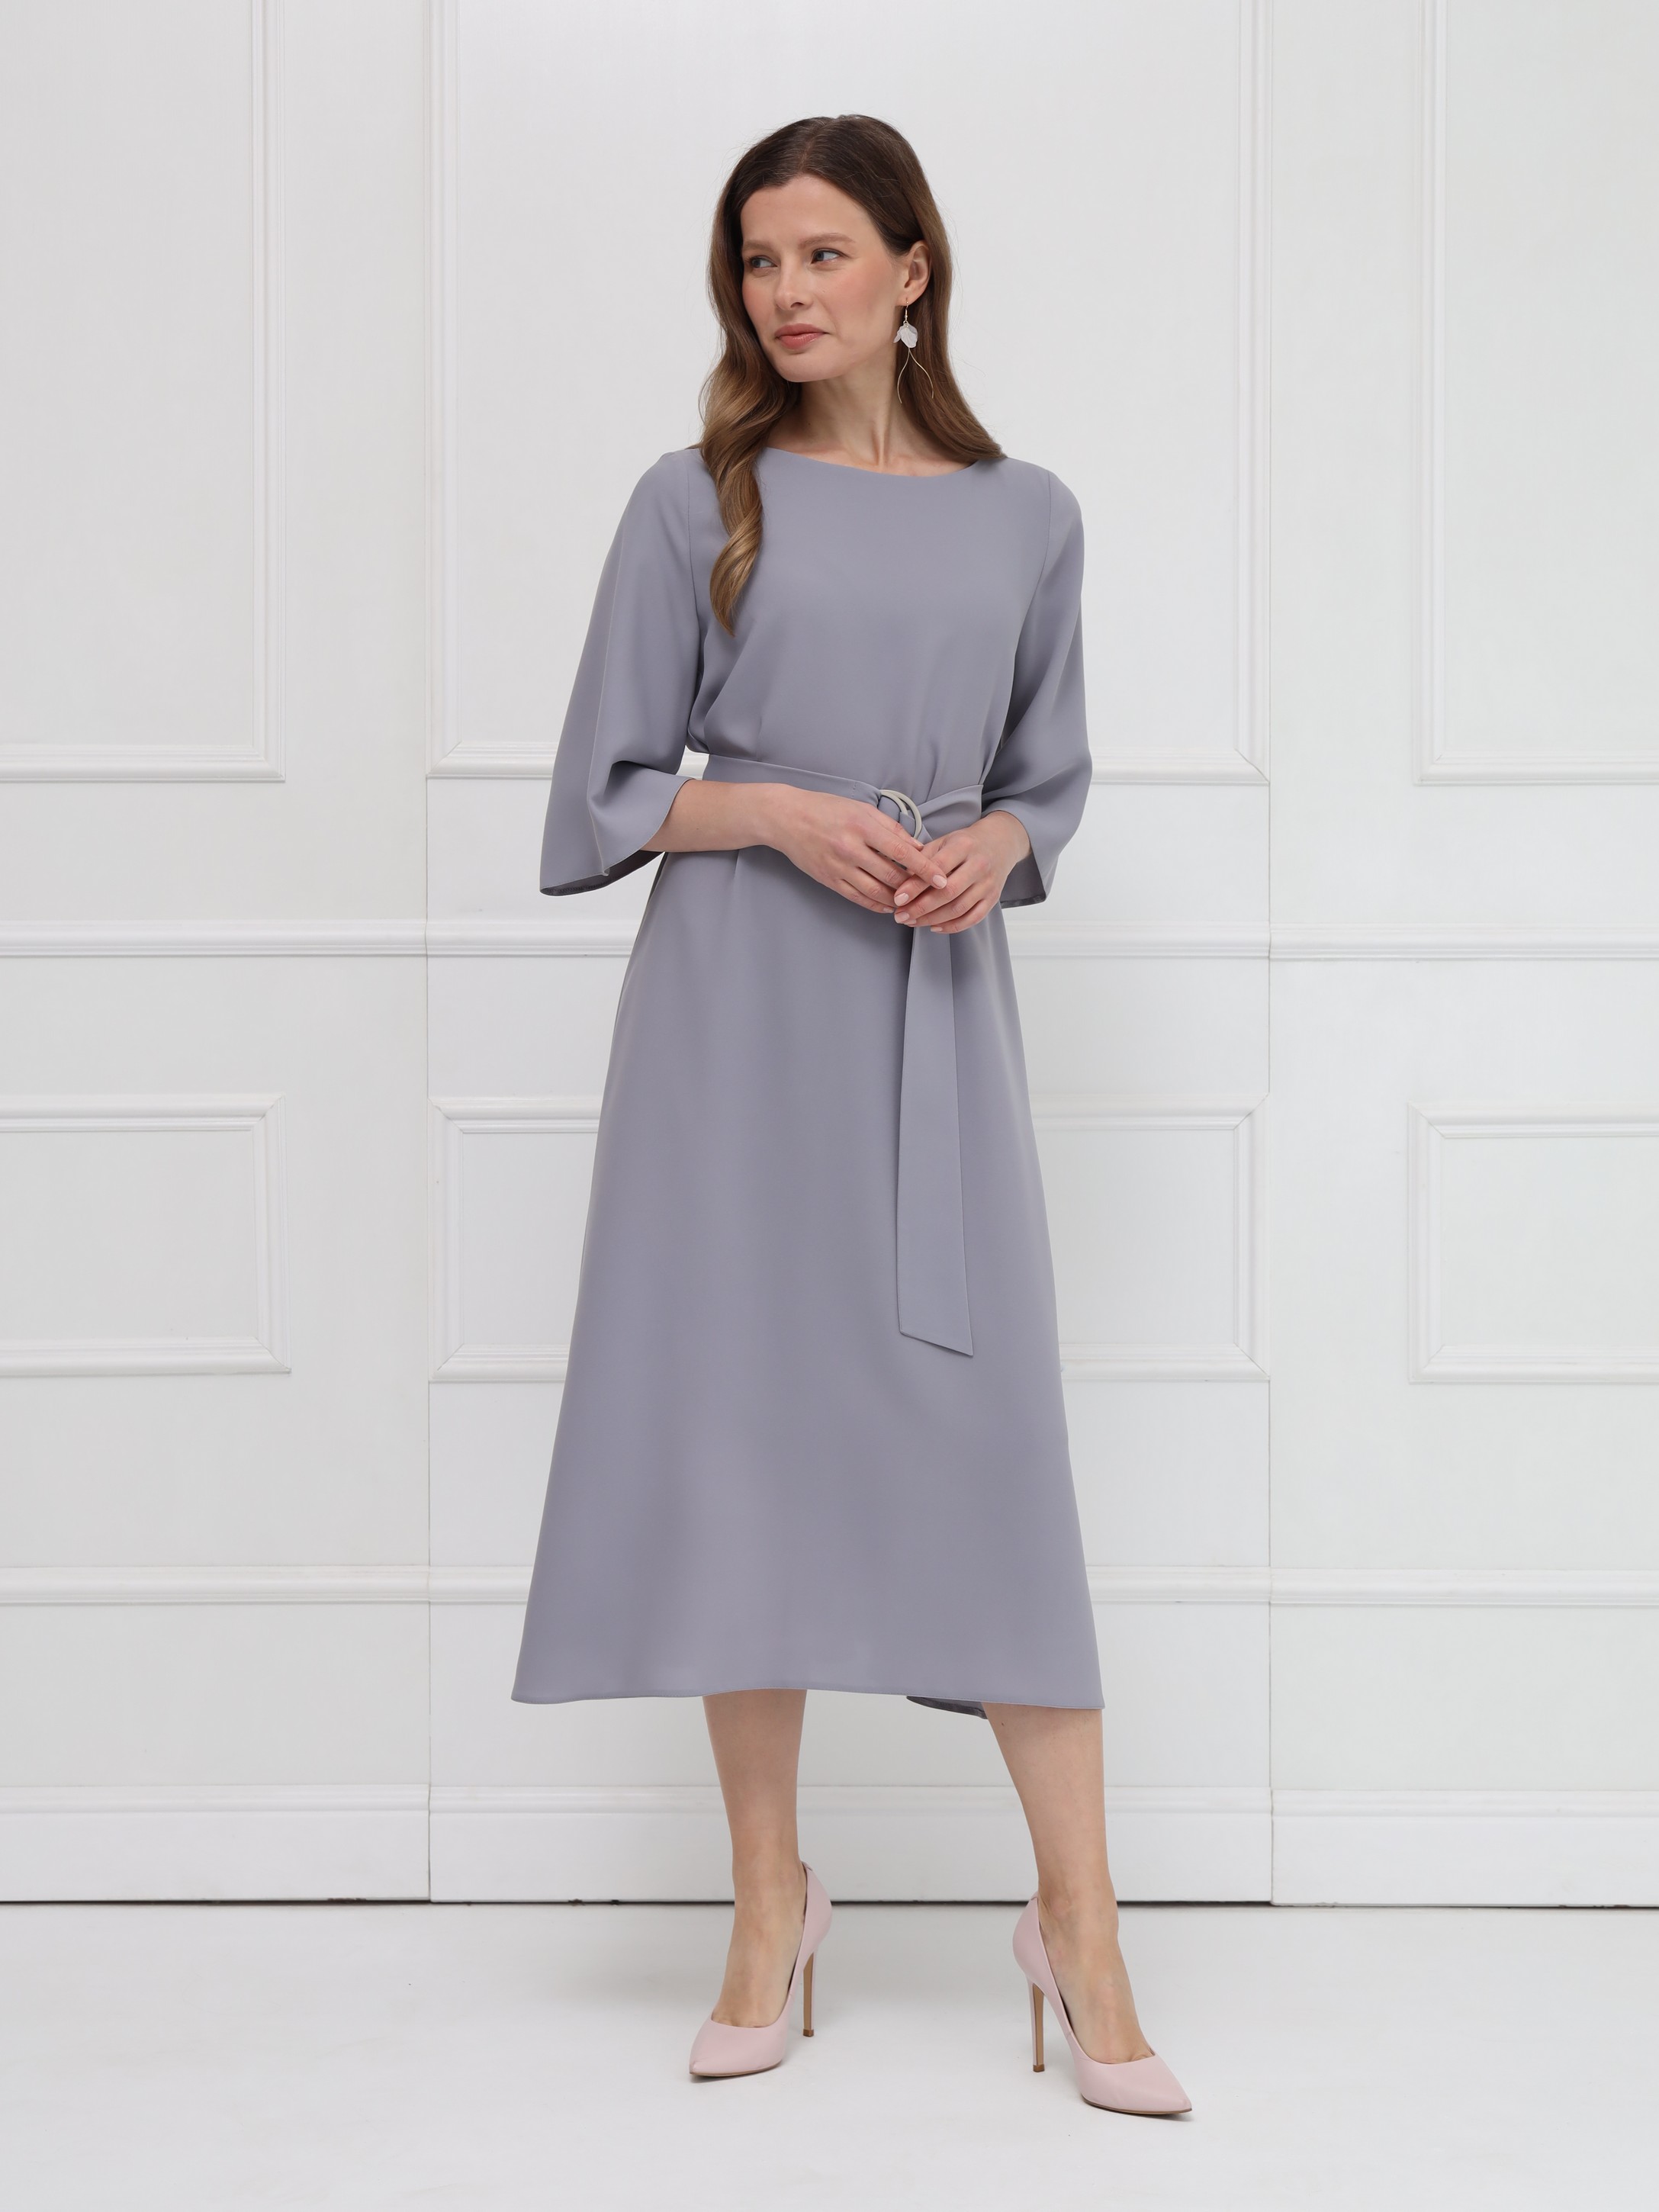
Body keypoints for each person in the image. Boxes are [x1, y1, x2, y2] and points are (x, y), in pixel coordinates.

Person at [511, 112, 1190, 2119]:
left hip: (929, 1013)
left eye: (822, 253)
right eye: (756, 259)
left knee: (993, 1452)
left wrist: (1000, 840)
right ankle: (767, 1907)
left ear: (913, 268)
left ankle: (1081, 1928)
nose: (785, 291)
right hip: (735, 1018)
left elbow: (1048, 775)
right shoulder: (695, 501)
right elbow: (605, 789)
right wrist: (784, 810)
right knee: (746, 1446)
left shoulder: (1028, 515)